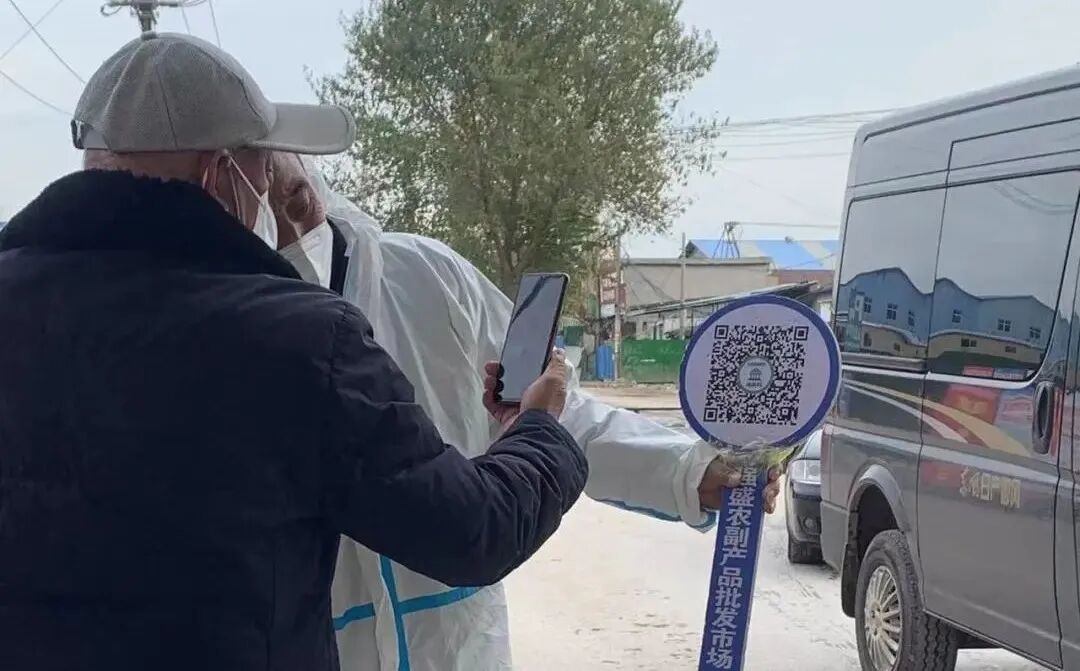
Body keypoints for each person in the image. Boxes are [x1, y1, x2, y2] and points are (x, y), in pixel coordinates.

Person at [0, 33, 589, 671]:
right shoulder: (299, 340)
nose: (283, 208)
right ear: (219, 174)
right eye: (270, 179)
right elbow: (471, 532)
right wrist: (538, 427)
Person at [269, 153, 783, 671]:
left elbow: (553, 416)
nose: (285, 198)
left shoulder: (427, 276)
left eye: (289, 173)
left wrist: (688, 472)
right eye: (252, 167)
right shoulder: (235, 333)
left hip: (458, 648)